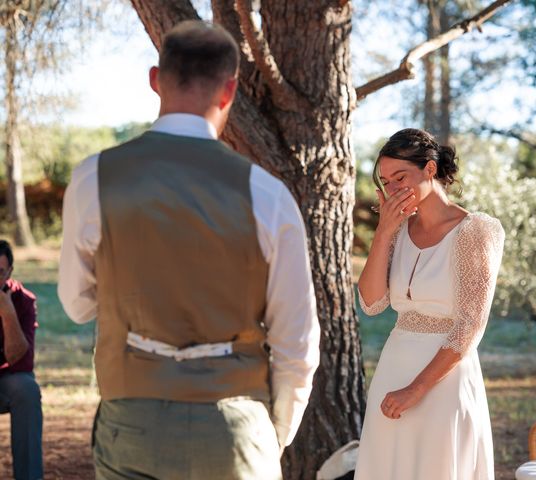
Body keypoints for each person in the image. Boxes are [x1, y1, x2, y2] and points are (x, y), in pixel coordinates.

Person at [58, 20, 320, 480]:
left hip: (132, 421)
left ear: (156, 80)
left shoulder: (94, 177)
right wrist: (270, 434)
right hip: (236, 424)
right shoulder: (267, 193)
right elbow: (296, 341)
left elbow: (77, 304)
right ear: (230, 91)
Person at [354, 128, 505, 480]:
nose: (393, 190)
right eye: (387, 182)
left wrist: (416, 389)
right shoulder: (397, 230)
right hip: (393, 370)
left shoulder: (475, 231)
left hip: (443, 381)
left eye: (401, 177)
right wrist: (383, 232)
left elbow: (470, 324)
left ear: (430, 170)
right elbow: (372, 303)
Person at [0, 240, 43, 480]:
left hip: (7, 381)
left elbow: (21, 362)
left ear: (9, 273)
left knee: (27, 389)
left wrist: (7, 313)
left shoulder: (23, 300)